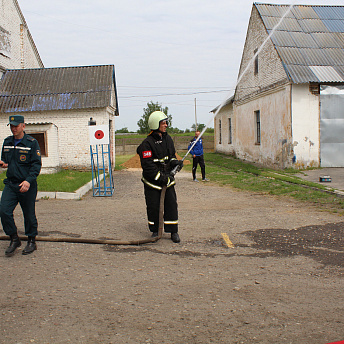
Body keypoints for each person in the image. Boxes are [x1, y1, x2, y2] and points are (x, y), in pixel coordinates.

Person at [137, 111, 183, 243]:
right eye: (163, 123)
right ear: (155, 124)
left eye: (166, 122)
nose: (166, 125)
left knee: (171, 205)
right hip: (152, 181)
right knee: (153, 206)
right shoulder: (146, 144)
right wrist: (161, 178)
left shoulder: (168, 139)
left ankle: (173, 231)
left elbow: (171, 156)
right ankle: (155, 231)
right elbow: (148, 167)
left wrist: (175, 163)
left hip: (167, 179)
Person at [0, 115, 42, 256]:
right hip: (11, 184)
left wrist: (28, 181)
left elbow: (36, 165)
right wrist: (3, 164)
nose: (13, 128)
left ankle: (31, 241)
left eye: (16, 126)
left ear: (23, 126)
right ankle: (14, 238)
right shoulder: (7, 142)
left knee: (28, 214)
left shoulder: (31, 143)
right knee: (4, 211)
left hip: (26, 185)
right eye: (11, 126)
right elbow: (6, 161)